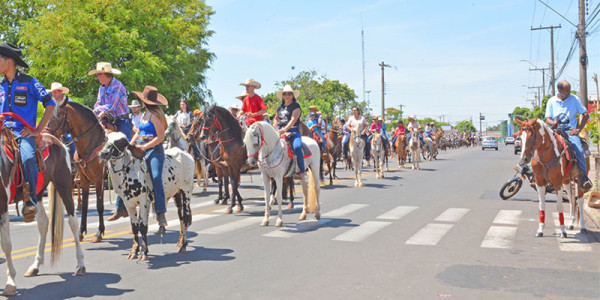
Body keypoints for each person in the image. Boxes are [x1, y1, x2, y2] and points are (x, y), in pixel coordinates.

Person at [0, 42, 55, 222]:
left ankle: (30, 201)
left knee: (28, 157)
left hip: (23, 133)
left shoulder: (30, 82)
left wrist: (38, 130)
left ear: (9, 61)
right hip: (3, 131)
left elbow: (50, 103)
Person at [88, 62, 130, 221]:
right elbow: (97, 105)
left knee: (125, 153)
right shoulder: (102, 88)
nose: (98, 77)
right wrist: (98, 111)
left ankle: (122, 205)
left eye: (99, 74)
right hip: (106, 120)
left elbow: (111, 106)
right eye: (97, 74)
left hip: (122, 122)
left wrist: (99, 110)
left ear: (106, 74)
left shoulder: (118, 86)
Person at [129, 86, 169, 227]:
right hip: (140, 146)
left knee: (156, 177)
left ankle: (160, 212)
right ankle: (121, 206)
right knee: (125, 171)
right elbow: (138, 132)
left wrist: (145, 147)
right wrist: (130, 145)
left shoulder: (156, 116)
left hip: (154, 149)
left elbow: (161, 137)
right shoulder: (144, 115)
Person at [545, 80, 593, 192]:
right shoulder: (551, 101)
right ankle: (539, 174)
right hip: (555, 130)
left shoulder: (574, 99)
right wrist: (553, 123)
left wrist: (578, 129)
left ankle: (583, 177)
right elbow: (548, 119)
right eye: (567, 90)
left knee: (580, 150)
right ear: (560, 91)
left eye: (570, 89)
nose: (569, 92)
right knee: (541, 146)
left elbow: (585, 114)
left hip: (569, 131)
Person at [274, 84, 304, 178]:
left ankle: (301, 170)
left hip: (293, 131)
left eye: (289, 94)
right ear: (282, 96)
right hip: (280, 131)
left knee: (297, 147)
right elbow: (276, 118)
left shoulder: (296, 106)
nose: (287, 95)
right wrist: (275, 126)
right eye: (285, 94)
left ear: (292, 95)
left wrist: (284, 130)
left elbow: (293, 120)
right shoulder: (280, 107)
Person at [47, 82, 77, 157]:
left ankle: (74, 161)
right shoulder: (51, 102)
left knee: (71, 140)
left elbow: (72, 117)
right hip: (53, 128)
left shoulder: (69, 102)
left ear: (61, 92)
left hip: (67, 128)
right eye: (53, 92)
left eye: (55, 92)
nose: (53, 94)